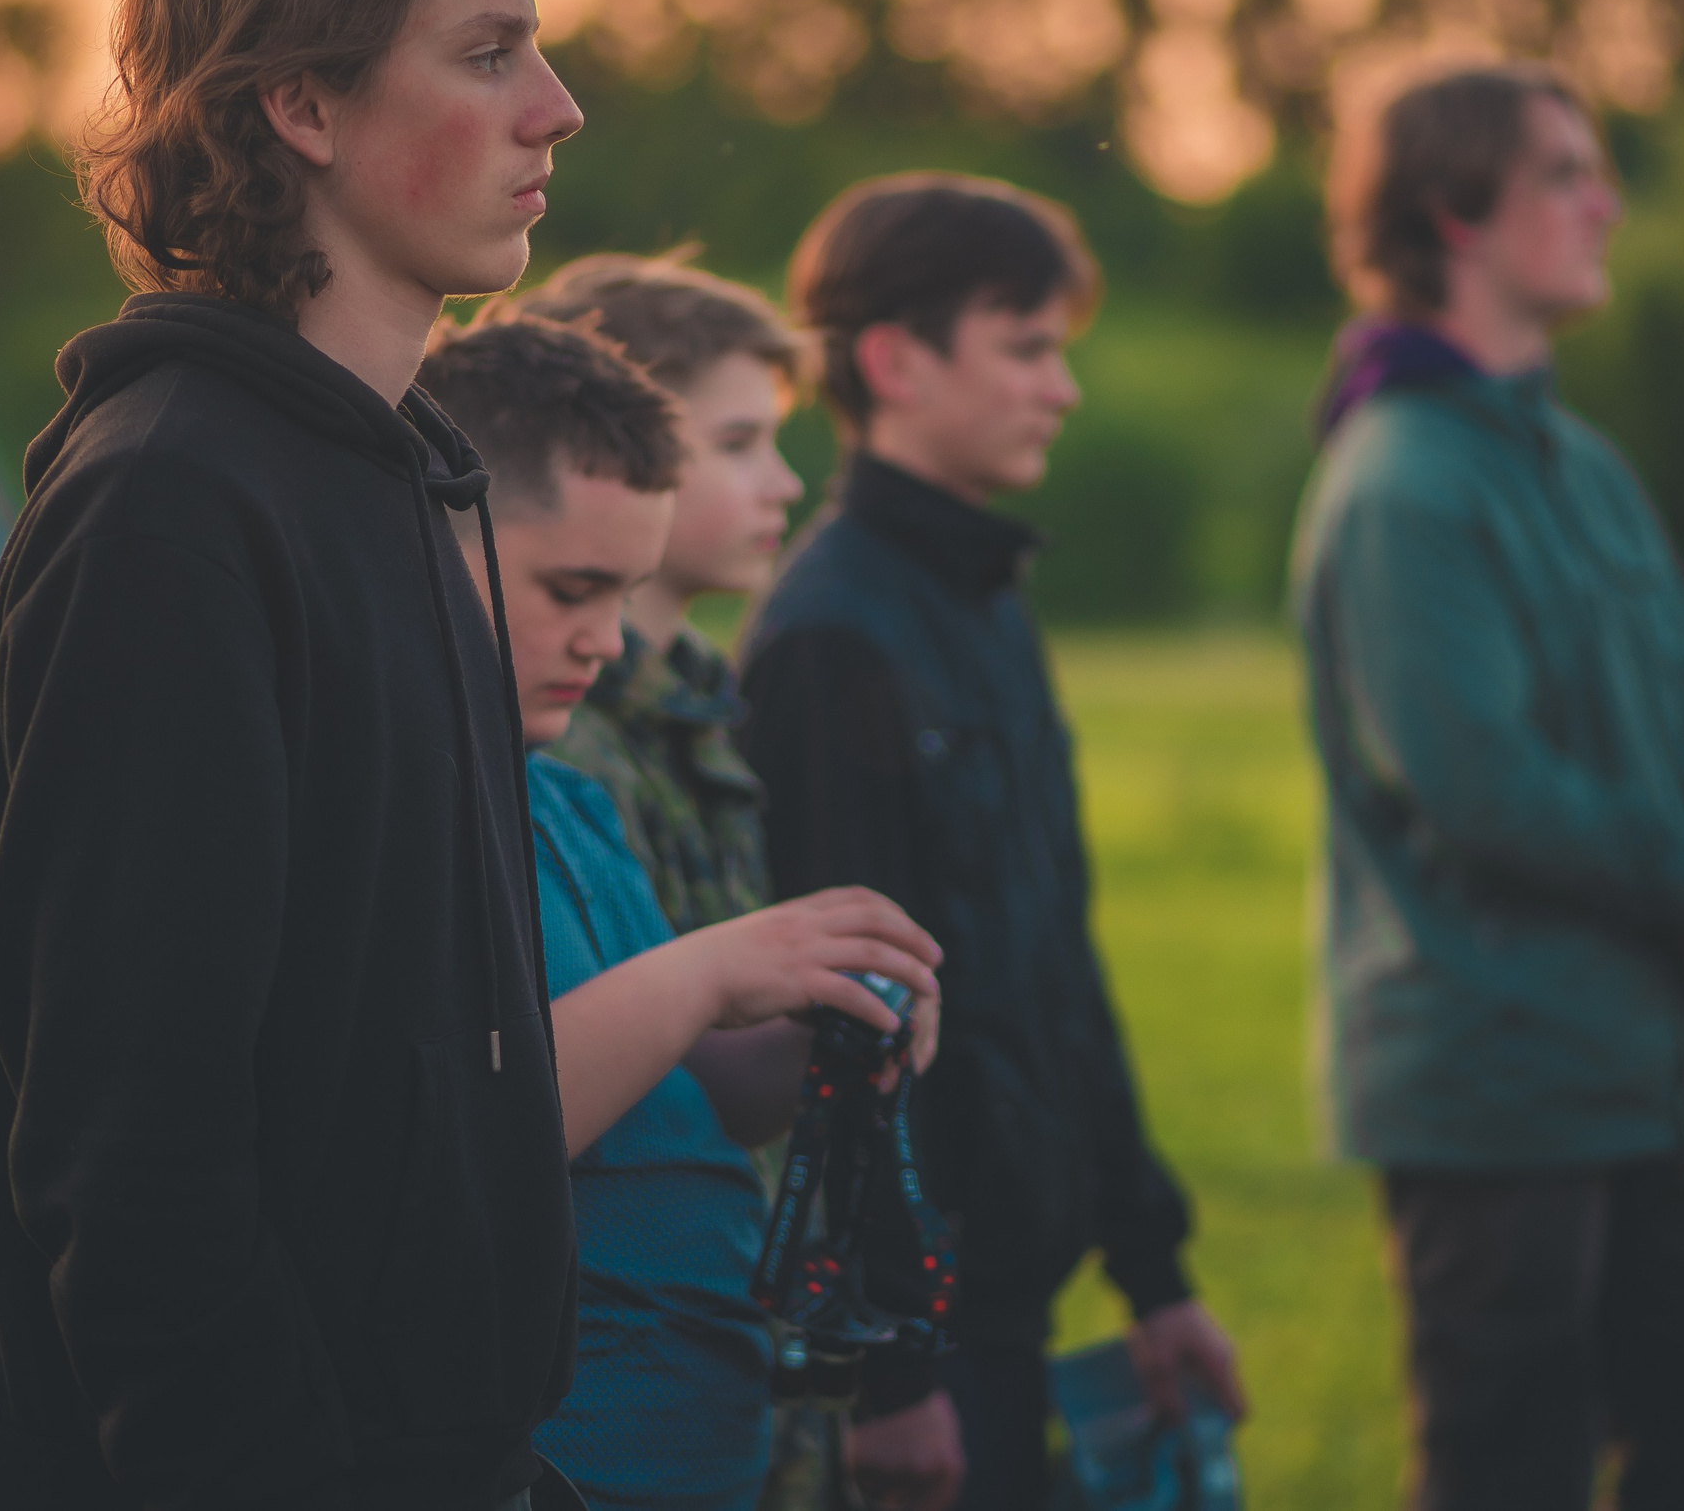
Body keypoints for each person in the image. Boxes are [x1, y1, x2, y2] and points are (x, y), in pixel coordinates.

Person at [0, 0, 593, 1510]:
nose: (557, 109)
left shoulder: (400, 474)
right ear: (301, 105)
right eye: (487, 55)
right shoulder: (170, 508)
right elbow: (131, 1139)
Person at [1289, 62, 1684, 1511]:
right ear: (1456, 212)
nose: (1607, 204)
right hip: (1495, 1086)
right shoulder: (1401, 482)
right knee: (1508, 1474)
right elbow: (1486, 788)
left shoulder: (1582, 467)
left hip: (1643, 1073)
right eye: (1566, 174)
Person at [740, 174, 1247, 1511]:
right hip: (930, 1347)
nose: (1062, 389)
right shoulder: (831, 638)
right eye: (1025, 348)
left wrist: (1153, 1271)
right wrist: (892, 1373)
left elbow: (1054, 968)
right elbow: (844, 1039)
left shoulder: (985, 599)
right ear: (895, 362)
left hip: (1016, 1303)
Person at [418, 309, 944, 1511]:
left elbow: (673, 1088)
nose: (607, 642)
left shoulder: (570, 805)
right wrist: (705, 973)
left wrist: (815, 1028)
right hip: (563, 1464)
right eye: (572, 590)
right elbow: (471, 1135)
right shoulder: (415, 816)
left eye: (625, 595)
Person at [516, 252, 810, 933]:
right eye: (738, 444)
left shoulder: (692, 693)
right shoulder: (563, 726)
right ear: (620, 448)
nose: (787, 484)